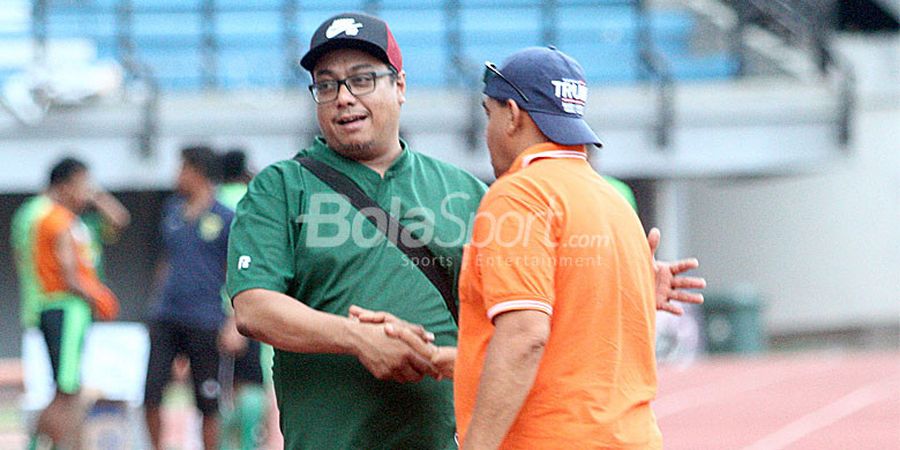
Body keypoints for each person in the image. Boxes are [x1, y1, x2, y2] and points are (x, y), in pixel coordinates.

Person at [227, 12, 703, 450]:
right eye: (326, 85)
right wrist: (355, 337)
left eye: (362, 79)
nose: (344, 97)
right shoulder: (280, 188)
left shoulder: (468, 192)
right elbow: (253, 308)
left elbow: (526, 312)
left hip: (446, 436)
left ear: (401, 86)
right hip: (330, 439)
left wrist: (621, 276)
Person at [457, 46, 662, 448]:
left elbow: (525, 334)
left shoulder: (519, 194)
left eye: (489, 113)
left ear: (512, 115)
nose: (488, 131)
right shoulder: (614, 201)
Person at [14, 157, 120, 450]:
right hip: (62, 307)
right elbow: (68, 272)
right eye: (83, 183)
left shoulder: (48, 215)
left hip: (50, 306)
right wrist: (99, 297)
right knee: (67, 389)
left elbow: (118, 221)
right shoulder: (53, 218)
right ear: (66, 183)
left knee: (66, 387)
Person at [144, 145, 233, 450]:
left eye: (182, 168)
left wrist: (233, 321)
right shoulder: (171, 212)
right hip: (166, 317)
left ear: (197, 172)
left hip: (205, 319)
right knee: (151, 395)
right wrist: (155, 303)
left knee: (208, 401)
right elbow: (166, 261)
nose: (176, 175)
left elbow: (233, 273)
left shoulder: (225, 217)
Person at [215, 148, 270, 450]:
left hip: (211, 308)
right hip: (243, 302)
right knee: (251, 383)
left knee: (225, 388)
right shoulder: (251, 200)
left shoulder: (211, 202)